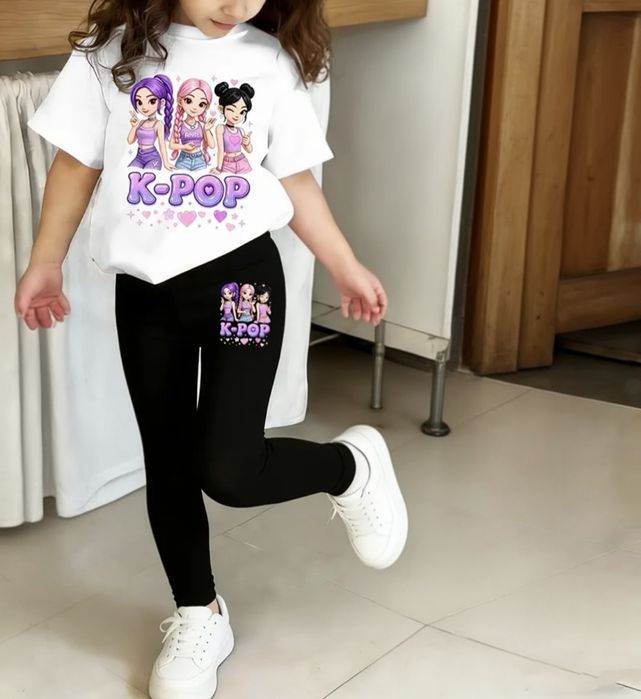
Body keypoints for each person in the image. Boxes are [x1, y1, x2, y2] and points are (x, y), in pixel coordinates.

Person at [14, 1, 409, 698]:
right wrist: (45, 262)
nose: (237, 5)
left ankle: (349, 466)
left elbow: (294, 179)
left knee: (229, 468)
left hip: (241, 287)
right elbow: (76, 164)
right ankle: (199, 612)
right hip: (147, 297)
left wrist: (344, 265)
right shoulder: (110, 56)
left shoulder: (268, 60)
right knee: (167, 460)